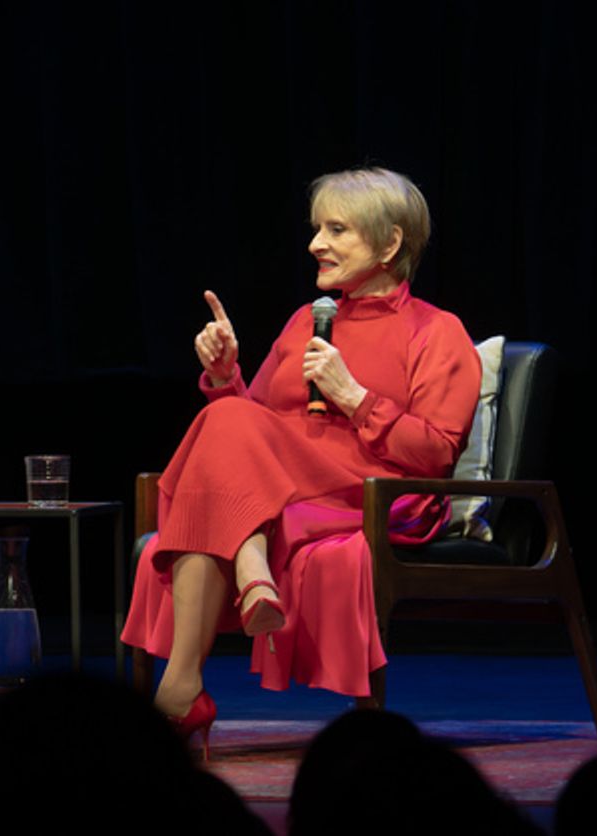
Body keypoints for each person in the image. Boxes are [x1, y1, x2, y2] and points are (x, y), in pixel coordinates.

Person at [120, 167, 480, 757]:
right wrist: (225, 375)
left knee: (214, 498)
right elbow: (249, 426)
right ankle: (193, 669)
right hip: (284, 488)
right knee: (225, 418)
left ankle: (200, 654)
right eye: (317, 229)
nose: (316, 244)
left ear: (390, 244)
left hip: (371, 493)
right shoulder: (305, 321)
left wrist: (355, 398)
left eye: (337, 230)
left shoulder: (437, 332)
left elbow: (437, 453)